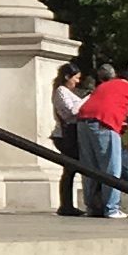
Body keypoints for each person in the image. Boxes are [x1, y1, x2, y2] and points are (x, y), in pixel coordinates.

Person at [73, 65, 128, 219]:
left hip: (82, 122)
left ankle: (92, 207)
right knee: (111, 168)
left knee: (90, 168)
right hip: (104, 123)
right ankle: (111, 208)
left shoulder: (104, 85)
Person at [50, 60, 88, 217]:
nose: (77, 82)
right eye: (76, 78)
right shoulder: (61, 91)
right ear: (67, 76)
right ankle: (66, 204)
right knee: (70, 170)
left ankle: (67, 204)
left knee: (70, 170)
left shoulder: (67, 91)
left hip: (71, 134)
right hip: (65, 135)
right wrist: (86, 101)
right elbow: (71, 111)